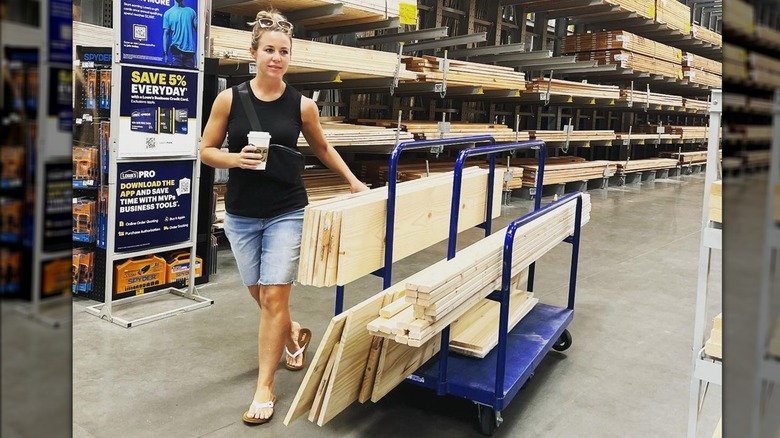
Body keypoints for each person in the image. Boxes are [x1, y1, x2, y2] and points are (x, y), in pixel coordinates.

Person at [199, 9, 370, 425]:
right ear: (253, 52)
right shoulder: (230, 99)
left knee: (275, 298)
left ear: (289, 57)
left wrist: (353, 181)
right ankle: (293, 335)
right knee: (260, 295)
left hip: (287, 210)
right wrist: (234, 159)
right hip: (240, 214)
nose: (276, 57)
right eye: (269, 50)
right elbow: (205, 150)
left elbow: (324, 149)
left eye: (284, 52)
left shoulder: (302, 105)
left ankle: (264, 387)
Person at [162, 0, 197, 69]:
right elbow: (166, 34)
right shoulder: (168, 13)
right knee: (176, 77)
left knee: (190, 78)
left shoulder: (191, 12)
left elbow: (199, 31)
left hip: (189, 52)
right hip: (176, 52)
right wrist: (165, 54)